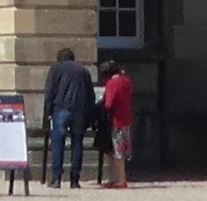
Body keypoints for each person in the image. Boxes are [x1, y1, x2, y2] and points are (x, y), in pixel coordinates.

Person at [43, 45, 99, 190]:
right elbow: (90, 95)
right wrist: (91, 116)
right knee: (77, 144)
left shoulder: (56, 69)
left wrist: (47, 114)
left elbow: (50, 91)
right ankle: (75, 179)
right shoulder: (83, 71)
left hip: (61, 108)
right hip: (79, 111)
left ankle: (56, 178)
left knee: (58, 145)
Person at [97, 56, 137, 187]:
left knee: (117, 151)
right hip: (126, 118)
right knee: (118, 150)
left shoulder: (112, 83)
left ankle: (120, 180)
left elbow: (108, 104)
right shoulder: (126, 81)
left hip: (116, 120)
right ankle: (114, 178)